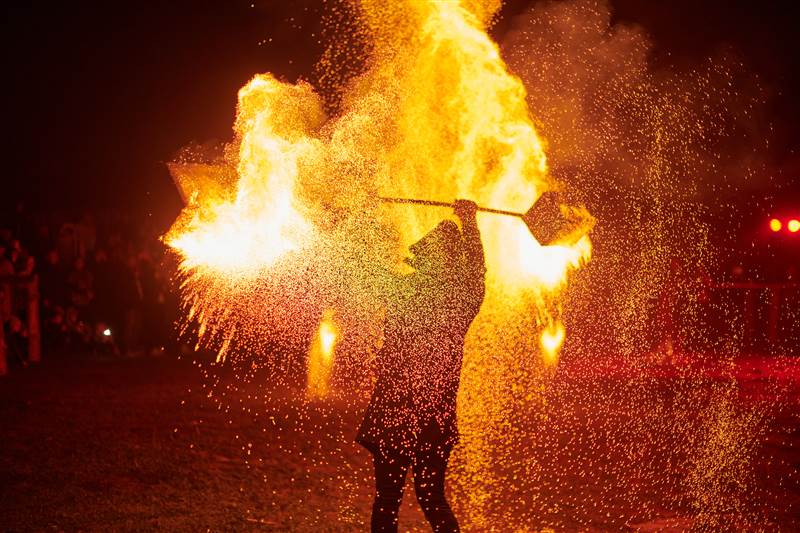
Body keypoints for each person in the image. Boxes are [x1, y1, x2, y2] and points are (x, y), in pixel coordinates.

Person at [357, 199, 486, 533]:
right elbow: (476, 270)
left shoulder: (404, 290)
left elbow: (360, 266)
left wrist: (360, 218)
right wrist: (469, 221)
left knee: (388, 499)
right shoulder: (461, 298)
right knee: (431, 497)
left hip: (397, 411)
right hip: (430, 415)